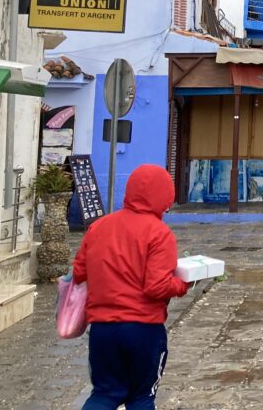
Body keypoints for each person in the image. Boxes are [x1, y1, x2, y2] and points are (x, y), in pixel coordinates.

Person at [72, 164, 190, 410]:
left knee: (103, 394)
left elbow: (79, 272)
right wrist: (182, 284)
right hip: (143, 328)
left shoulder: (99, 227)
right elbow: (156, 286)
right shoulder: (159, 233)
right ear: (164, 195)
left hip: (102, 329)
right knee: (141, 397)